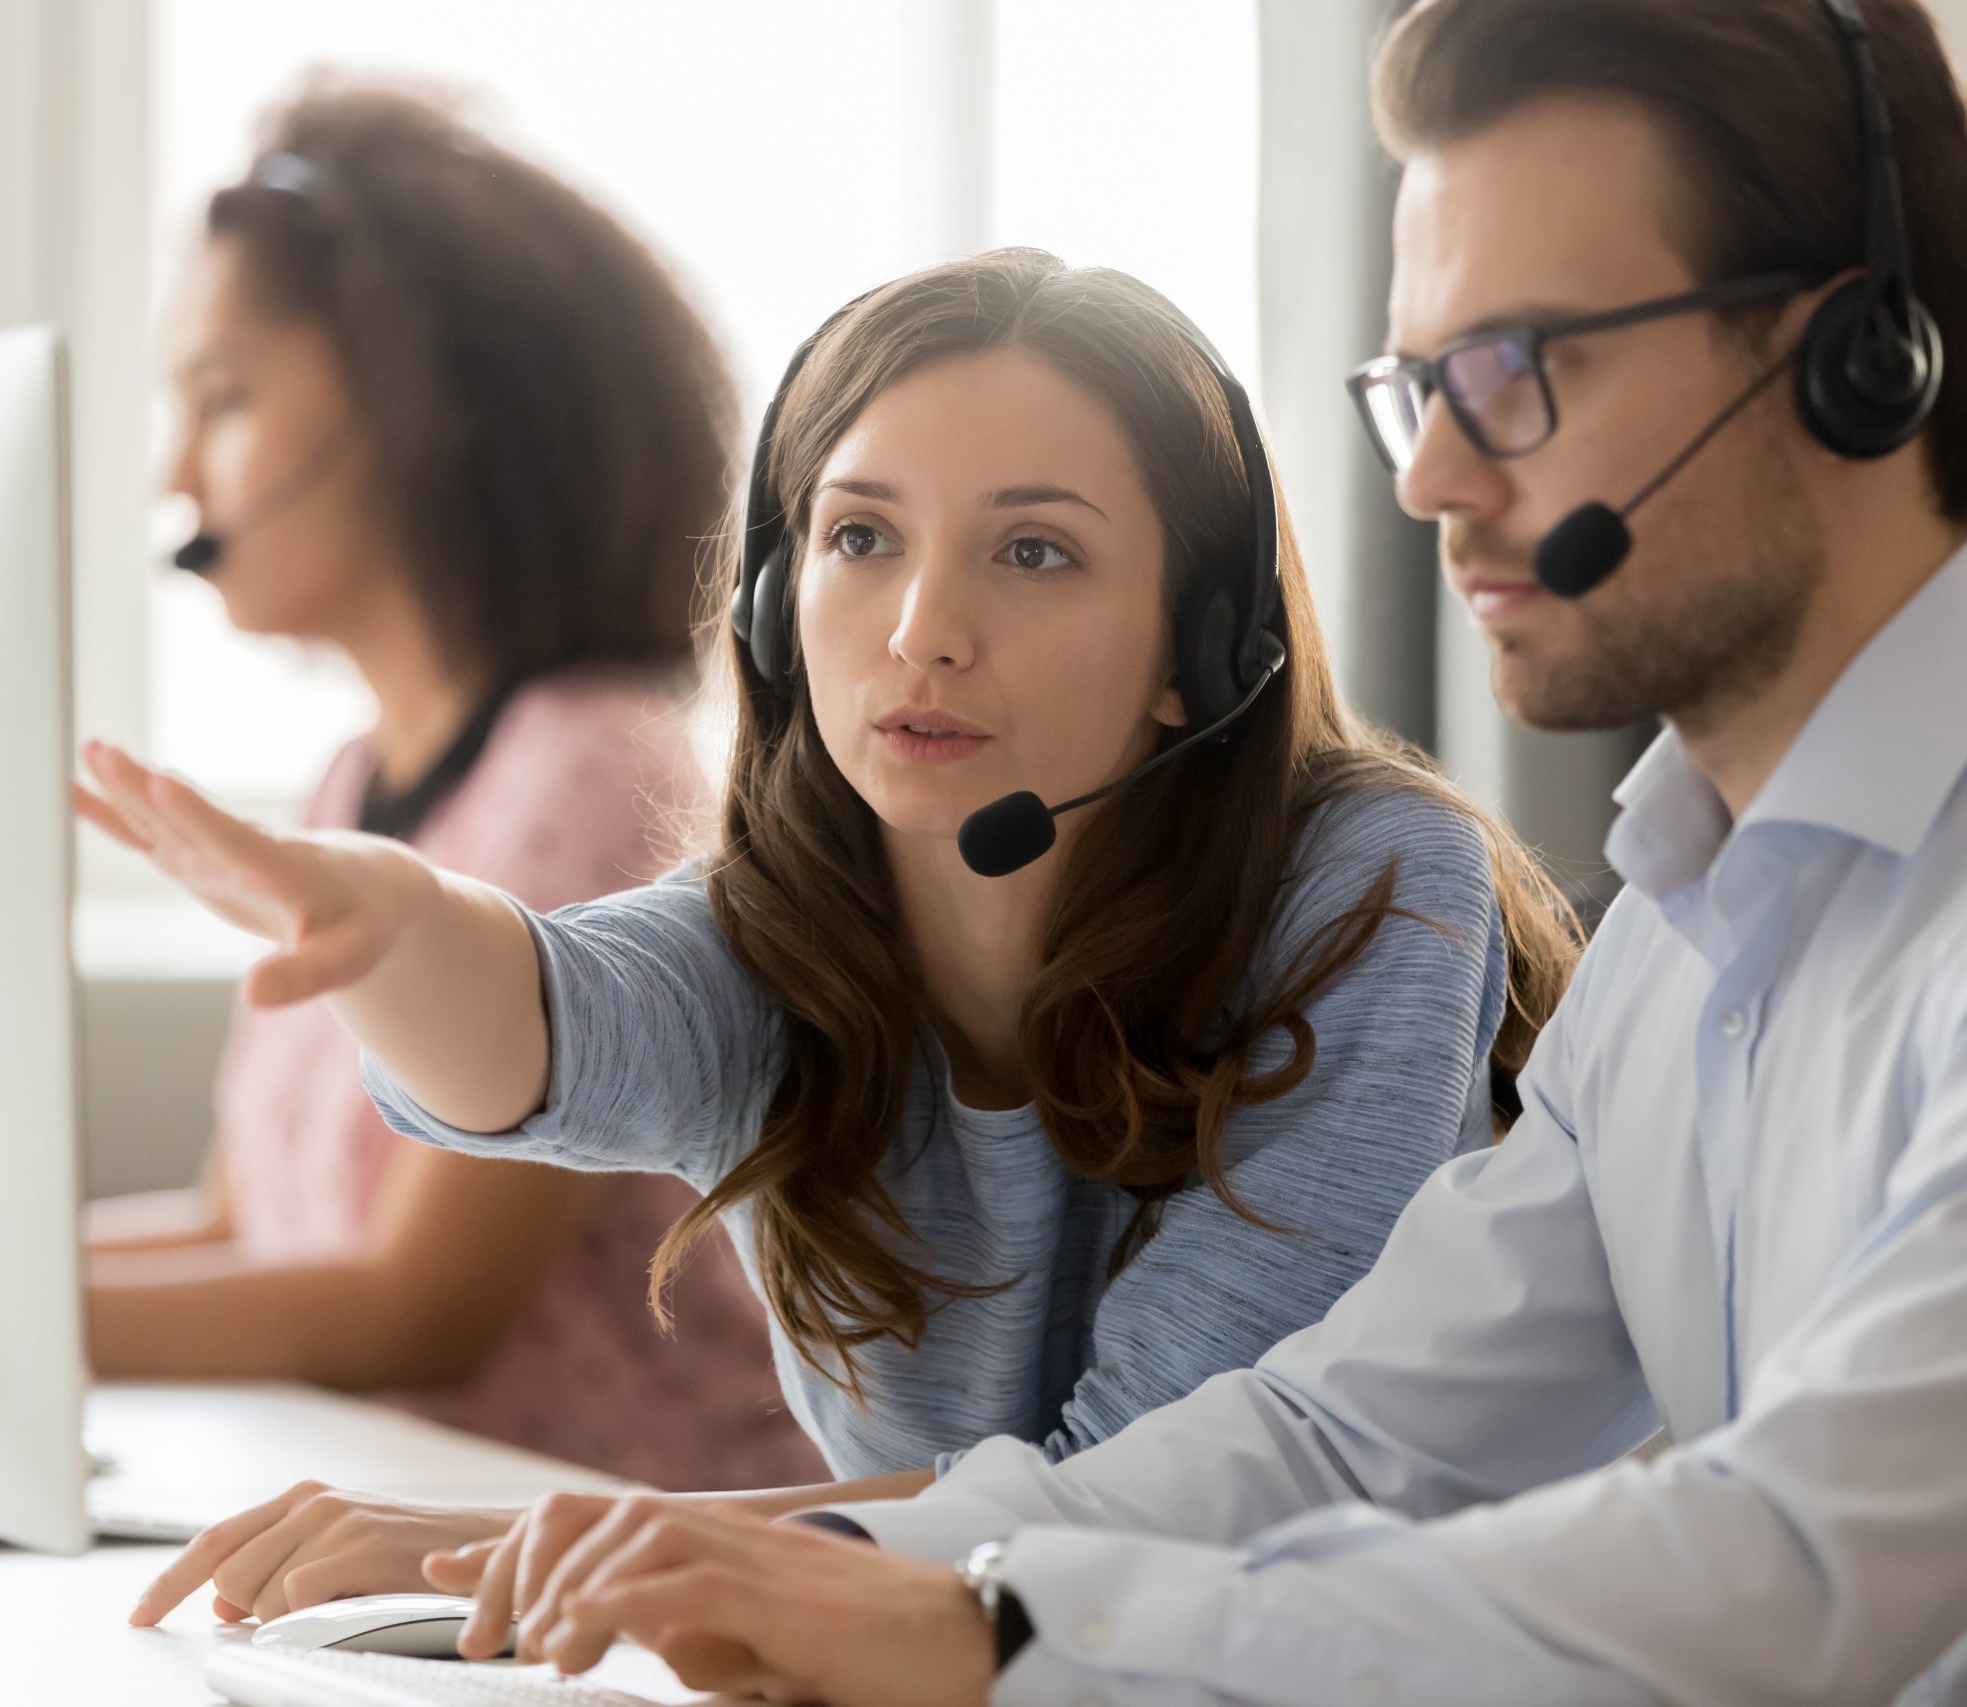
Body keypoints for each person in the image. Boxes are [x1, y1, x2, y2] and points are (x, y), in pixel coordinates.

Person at [389, 2, 1967, 1703]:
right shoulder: (1688, 929)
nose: (1432, 477)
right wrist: (758, 1564)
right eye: (1419, 383)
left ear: (1854, 360)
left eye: (1519, 367)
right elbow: (1340, 1437)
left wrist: (996, 1629)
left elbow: (1794, 1563)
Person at [89, 246, 1585, 1633]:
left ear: (1200, 652)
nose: (923, 626)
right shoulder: (792, 921)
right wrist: (395, 927)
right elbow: (554, 1023)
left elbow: (1156, 1496)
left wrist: (515, 1546)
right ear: (768, 606)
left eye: (1036, 554)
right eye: (860, 535)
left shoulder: (1376, 887)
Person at [0, 85, 824, 1493]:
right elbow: (251, 1231)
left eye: (222, 398)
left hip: (602, 1564)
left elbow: (414, 1307)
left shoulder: (598, 772)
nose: (175, 471)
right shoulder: (355, 784)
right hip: (392, 1526)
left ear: (424, 408)